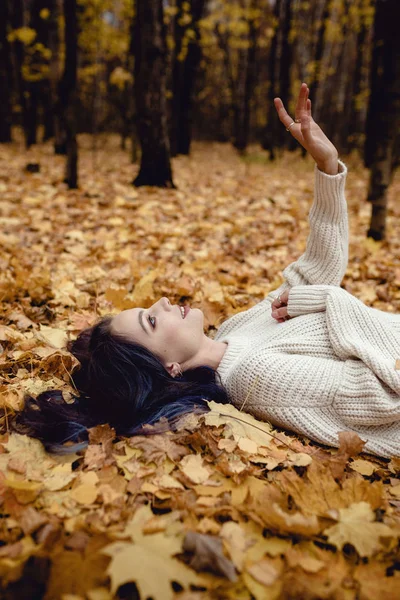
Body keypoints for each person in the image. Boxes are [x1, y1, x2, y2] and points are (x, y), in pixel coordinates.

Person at [11, 84, 400, 459]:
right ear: (170, 369)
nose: (162, 301)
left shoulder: (232, 334)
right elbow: (385, 396)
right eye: (150, 320)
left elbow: (311, 277)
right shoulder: (256, 379)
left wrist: (327, 167)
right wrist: (332, 301)